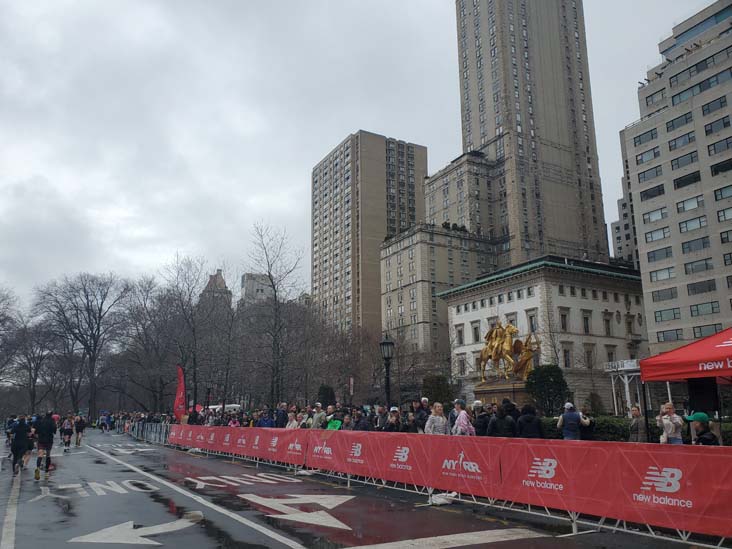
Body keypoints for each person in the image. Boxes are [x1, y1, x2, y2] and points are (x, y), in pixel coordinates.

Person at [34, 412, 57, 478]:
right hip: (49, 440)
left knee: (40, 454)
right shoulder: (52, 420)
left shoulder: (41, 421)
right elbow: (54, 429)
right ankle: (47, 471)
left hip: (41, 439)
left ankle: (38, 468)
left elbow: (36, 430)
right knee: (48, 455)